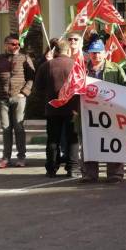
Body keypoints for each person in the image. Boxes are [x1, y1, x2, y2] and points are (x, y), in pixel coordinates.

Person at [80, 39, 126, 183]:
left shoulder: (115, 69)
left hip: (112, 113)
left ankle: (115, 174)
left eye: (99, 53)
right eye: (93, 53)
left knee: (114, 142)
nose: (96, 56)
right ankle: (89, 174)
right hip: (88, 114)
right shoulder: (82, 70)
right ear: (89, 54)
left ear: (105, 53)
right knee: (89, 143)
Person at [0, 34, 35, 168]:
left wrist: (24, 93)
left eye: (18, 44)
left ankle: (21, 157)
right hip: (2, 98)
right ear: (6, 44)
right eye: (13, 44)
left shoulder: (25, 58)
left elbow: (32, 77)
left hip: (18, 98)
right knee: (6, 129)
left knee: (19, 128)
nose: (16, 46)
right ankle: (6, 158)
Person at [35, 40, 79, 177]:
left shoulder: (46, 66)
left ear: (55, 51)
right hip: (72, 109)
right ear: (68, 51)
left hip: (52, 108)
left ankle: (51, 168)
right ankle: (72, 168)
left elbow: (38, 88)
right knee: (72, 138)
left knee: (53, 139)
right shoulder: (75, 65)